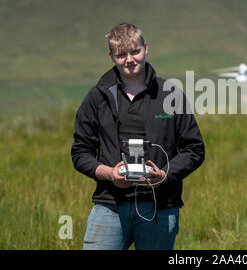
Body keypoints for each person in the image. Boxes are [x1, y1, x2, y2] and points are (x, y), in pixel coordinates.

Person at [71, 22, 205, 250]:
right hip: (109, 206)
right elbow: (80, 152)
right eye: (121, 54)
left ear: (146, 48)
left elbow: (195, 149)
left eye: (135, 51)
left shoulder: (170, 94)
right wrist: (110, 174)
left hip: (159, 208)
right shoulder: (97, 97)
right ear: (111, 56)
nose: (130, 59)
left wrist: (165, 174)